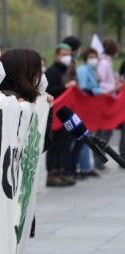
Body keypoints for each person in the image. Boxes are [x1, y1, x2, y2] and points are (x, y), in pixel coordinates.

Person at [44, 43, 78, 186]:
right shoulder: (52, 71)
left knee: (62, 144)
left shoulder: (65, 71)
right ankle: (52, 174)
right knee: (54, 145)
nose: (67, 57)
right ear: (57, 55)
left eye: (68, 54)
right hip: (55, 113)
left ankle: (60, 171)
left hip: (63, 113)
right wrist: (65, 87)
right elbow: (49, 90)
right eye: (64, 54)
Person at [74, 48, 102, 178]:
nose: (94, 59)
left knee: (87, 136)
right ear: (86, 57)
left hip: (90, 107)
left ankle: (87, 166)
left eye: (95, 56)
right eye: (91, 56)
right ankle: (84, 167)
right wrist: (99, 91)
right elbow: (84, 88)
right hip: (84, 106)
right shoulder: (83, 70)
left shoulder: (91, 70)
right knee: (84, 137)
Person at [93, 39, 119, 170]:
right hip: (106, 99)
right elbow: (100, 81)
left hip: (107, 98)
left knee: (104, 130)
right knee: (105, 130)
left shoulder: (106, 61)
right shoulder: (104, 62)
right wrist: (113, 86)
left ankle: (99, 158)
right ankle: (99, 159)